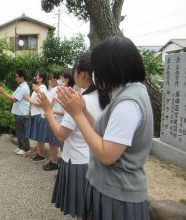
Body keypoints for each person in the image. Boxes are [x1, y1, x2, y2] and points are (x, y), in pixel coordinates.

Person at [56, 36, 153, 220]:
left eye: (98, 69)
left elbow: (107, 155)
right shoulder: (128, 92)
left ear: (112, 67)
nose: (95, 74)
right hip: (111, 189)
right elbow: (105, 132)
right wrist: (83, 110)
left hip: (117, 194)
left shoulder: (128, 103)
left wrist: (76, 114)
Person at [38, 53, 109, 219]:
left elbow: (61, 135)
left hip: (77, 161)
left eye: (73, 72)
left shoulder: (78, 101)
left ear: (82, 74)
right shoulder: (105, 97)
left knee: (81, 212)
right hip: (95, 159)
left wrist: (48, 110)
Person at [0, 69, 31, 155]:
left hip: (22, 112)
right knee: (19, 131)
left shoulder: (24, 87)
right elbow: (12, 97)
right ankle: (20, 147)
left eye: (17, 76)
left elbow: (14, 99)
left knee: (22, 131)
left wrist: (3, 92)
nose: (15, 78)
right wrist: (3, 93)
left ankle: (26, 149)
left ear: (22, 77)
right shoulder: (20, 86)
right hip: (18, 112)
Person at [40, 71, 64, 171]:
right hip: (54, 117)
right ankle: (53, 161)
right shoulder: (56, 89)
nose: (49, 81)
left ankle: (54, 162)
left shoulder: (57, 89)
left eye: (50, 79)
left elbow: (48, 102)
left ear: (54, 79)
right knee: (52, 141)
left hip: (55, 118)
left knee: (53, 142)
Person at [23, 72, 48, 160]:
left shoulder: (42, 88)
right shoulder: (38, 88)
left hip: (39, 114)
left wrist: (28, 99)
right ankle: (38, 153)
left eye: (36, 76)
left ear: (41, 79)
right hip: (35, 113)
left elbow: (41, 104)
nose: (35, 78)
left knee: (40, 136)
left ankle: (40, 155)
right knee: (38, 136)